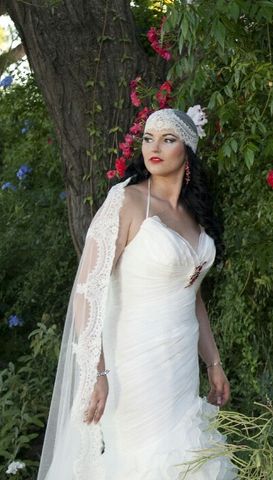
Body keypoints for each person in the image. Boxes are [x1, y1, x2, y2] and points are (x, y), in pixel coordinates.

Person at [37, 108, 238, 479]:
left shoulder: (194, 215)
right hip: (133, 363)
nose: (154, 147)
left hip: (179, 364)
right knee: (142, 458)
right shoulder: (127, 203)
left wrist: (213, 363)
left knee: (185, 455)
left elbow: (192, 297)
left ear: (188, 152)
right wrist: (96, 371)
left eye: (168, 139)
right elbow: (87, 292)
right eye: (148, 138)